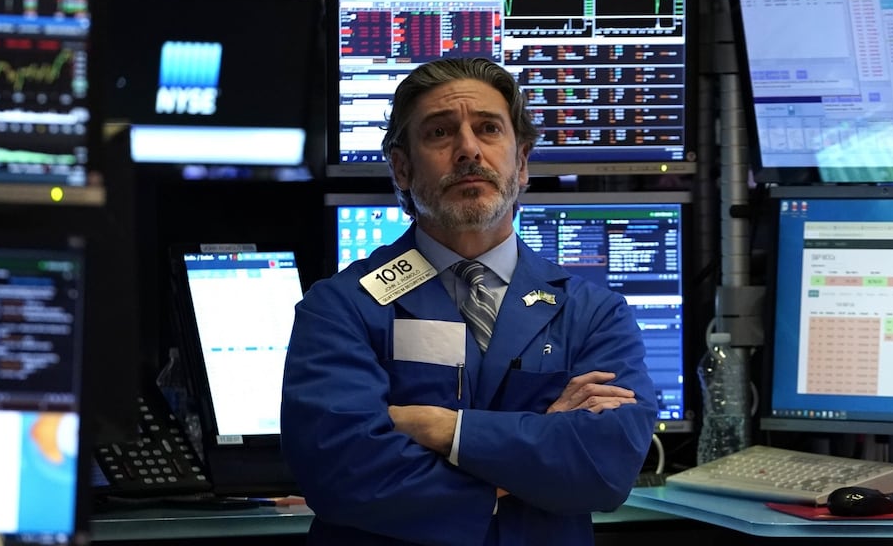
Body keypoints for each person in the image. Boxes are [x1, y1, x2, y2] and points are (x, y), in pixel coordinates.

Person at [281, 56, 657, 546]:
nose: (467, 150)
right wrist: (532, 454)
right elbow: (343, 473)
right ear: (401, 167)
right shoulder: (340, 307)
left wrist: (442, 429)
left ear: (521, 163)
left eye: (488, 129)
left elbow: (605, 467)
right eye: (439, 133)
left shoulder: (593, 312)